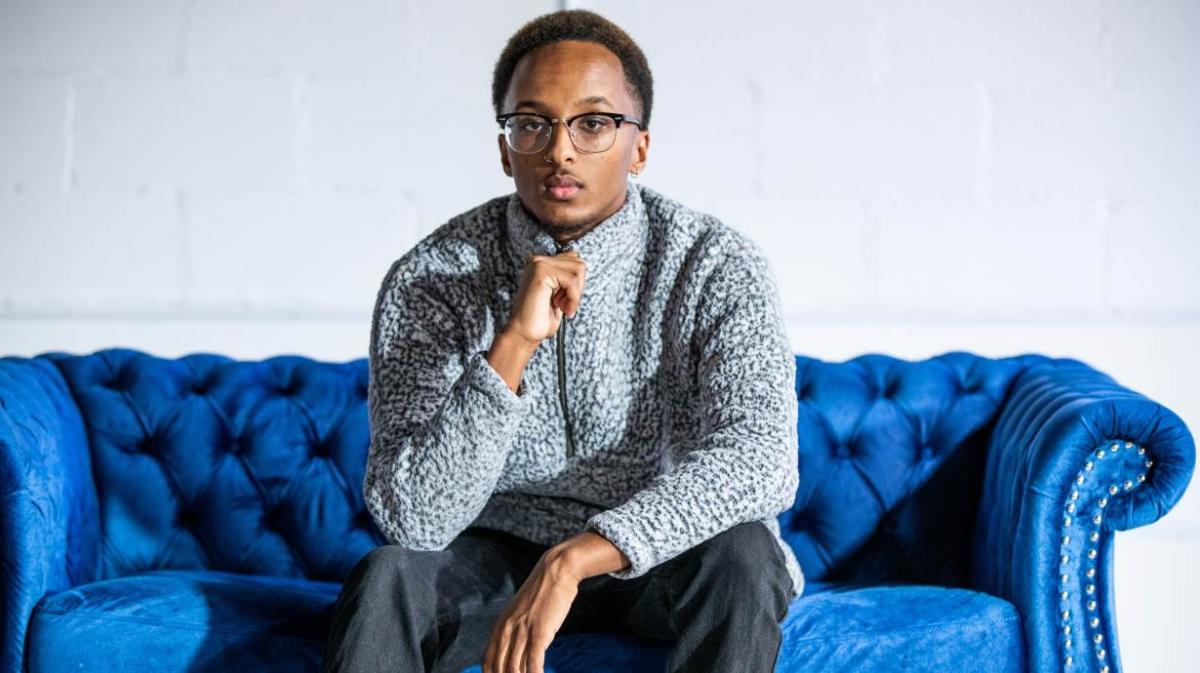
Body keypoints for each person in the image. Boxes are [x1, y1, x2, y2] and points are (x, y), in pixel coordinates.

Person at [321, 8, 802, 673]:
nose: (561, 150)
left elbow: (760, 460)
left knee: (746, 554)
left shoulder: (714, 263)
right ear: (503, 146)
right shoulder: (430, 279)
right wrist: (514, 341)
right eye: (532, 123)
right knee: (388, 576)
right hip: (494, 556)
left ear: (640, 146)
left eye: (594, 123)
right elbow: (413, 518)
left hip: (666, 553)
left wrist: (579, 555)